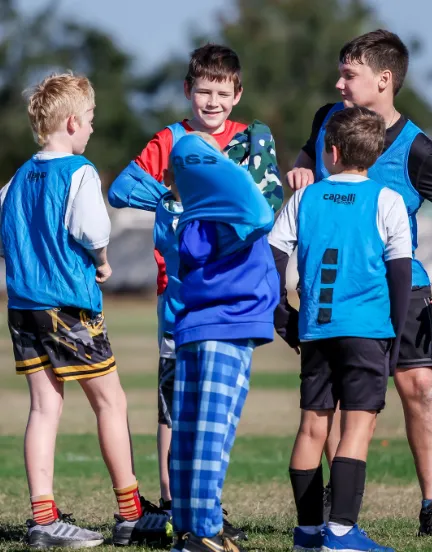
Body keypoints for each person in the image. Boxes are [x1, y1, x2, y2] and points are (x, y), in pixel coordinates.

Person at [285, 29, 432, 536]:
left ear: (384, 79)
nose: (339, 83)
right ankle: (335, 507)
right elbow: (307, 157)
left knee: (417, 387)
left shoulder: (416, 148)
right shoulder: (327, 119)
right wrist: (302, 169)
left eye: (349, 74)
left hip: (399, 286)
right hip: (332, 285)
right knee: (329, 401)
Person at [108, 43, 282, 541]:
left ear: (237, 94)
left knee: (215, 405)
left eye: (222, 93)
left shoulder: (253, 139)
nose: (212, 101)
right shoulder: (172, 139)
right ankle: (174, 505)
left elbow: (263, 202)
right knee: (175, 397)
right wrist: (172, 198)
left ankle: (207, 508)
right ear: (188, 91)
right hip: (179, 287)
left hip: (233, 289)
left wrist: (210, 205)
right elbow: (122, 188)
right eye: (203, 91)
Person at [0, 72, 164, 548]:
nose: (92, 128)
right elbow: (94, 231)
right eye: (90, 119)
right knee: (110, 401)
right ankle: (131, 514)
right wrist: (103, 262)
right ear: (71, 122)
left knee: (43, 407)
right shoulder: (80, 171)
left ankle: (43, 518)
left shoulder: (16, 178)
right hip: (69, 306)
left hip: (23, 306)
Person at [269, 106, 411, 552]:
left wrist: (281, 313)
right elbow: (400, 275)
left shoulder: (304, 198)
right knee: (357, 427)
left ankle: (308, 533)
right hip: (367, 329)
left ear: (329, 152)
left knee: (313, 424)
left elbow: (272, 255)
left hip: (317, 329)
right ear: (376, 152)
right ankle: (344, 534)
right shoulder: (387, 200)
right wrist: (394, 335)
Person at [165, 132, 279, 552]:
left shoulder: (190, 216)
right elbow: (263, 215)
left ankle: (188, 527)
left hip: (194, 329)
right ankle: (206, 529)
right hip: (228, 328)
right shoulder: (233, 213)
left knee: (189, 435)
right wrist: (223, 165)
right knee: (213, 435)